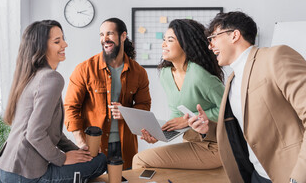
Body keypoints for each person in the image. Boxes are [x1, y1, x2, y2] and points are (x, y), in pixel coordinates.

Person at [189, 11, 306, 183]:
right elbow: (243, 128)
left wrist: (298, 177)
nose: (210, 46)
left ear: (234, 35)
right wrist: (208, 129)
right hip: (256, 175)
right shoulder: (232, 79)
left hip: (289, 175)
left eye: (213, 37)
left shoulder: (275, 57)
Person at [0, 20, 106, 183]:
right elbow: (35, 133)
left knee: (89, 159)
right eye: (57, 41)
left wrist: (76, 152)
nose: (65, 44)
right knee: (100, 161)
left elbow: (48, 131)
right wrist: (62, 158)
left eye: (63, 39)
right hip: (25, 175)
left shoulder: (31, 75)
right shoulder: (51, 78)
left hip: (3, 169)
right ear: (41, 47)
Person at [132, 19, 225, 170]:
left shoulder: (199, 75)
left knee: (140, 160)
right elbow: (176, 112)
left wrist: (188, 120)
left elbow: (229, 108)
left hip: (216, 146)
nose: (163, 45)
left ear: (185, 44)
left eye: (170, 40)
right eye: (164, 40)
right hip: (191, 141)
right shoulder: (166, 74)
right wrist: (160, 133)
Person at [64, 18, 152, 169]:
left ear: (123, 36)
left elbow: (144, 106)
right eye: (101, 34)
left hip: (125, 146)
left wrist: (127, 113)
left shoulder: (139, 72)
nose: (104, 39)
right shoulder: (84, 69)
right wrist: (81, 142)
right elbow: (70, 107)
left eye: (109, 33)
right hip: (92, 145)